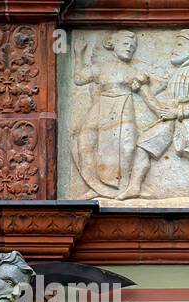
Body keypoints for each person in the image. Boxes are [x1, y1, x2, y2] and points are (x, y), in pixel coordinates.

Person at [116, 29, 189, 200]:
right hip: (168, 117)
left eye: (179, 44)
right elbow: (155, 94)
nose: (174, 49)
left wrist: (178, 112)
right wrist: (142, 87)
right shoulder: (172, 73)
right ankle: (134, 187)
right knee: (143, 147)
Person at [71, 30, 150, 197]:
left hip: (123, 106)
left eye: (132, 47)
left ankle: (126, 188)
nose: (129, 49)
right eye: (125, 44)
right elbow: (78, 79)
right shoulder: (101, 68)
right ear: (112, 45)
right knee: (85, 142)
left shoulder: (134, 72)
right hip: (101, 106)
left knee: (127, 147)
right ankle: (95, 187)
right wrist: (79, 54)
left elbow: (147, 94)